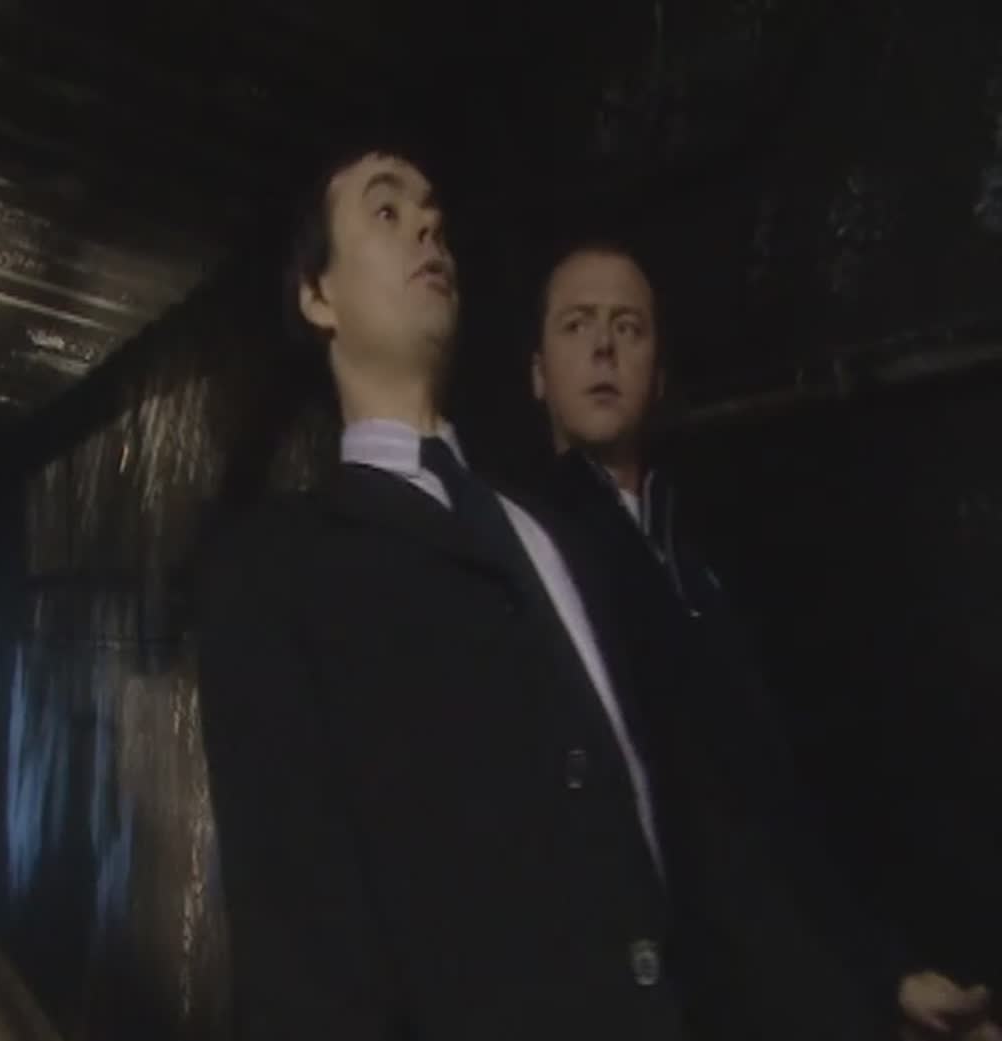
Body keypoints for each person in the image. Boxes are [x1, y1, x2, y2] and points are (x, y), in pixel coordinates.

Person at [195, 147, 693, 1040]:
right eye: (386, 212)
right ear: (318, 296)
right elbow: (300, 950)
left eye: (433, 214)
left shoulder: (558, 538)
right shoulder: (273, 570)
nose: (428, 225)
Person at [524, 238, 1001, 1041]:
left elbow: (774, 803)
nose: (603, 346)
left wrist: (885, 973)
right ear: (538, 372)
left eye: (628, 327)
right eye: (576, 325)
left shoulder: (694, 554)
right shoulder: (533, 552)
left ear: (659, 375)